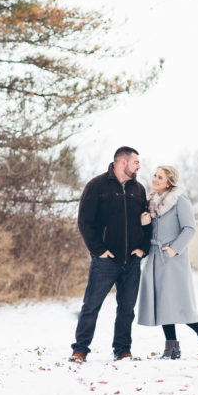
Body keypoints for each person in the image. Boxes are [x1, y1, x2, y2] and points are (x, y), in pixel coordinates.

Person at [70, 146, 151, 363]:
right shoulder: (97, 186)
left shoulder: (139, 190)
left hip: (131, 261)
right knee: (91, 306)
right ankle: (80, 350)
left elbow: (147, 220)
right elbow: (85, 221)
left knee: (127, 309)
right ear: (122, 162)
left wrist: (143, 248)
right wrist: (99, 250)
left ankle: (122, 350)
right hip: (106, 261)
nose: (139, 166)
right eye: (136, 162)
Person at [137, 165, 198, 359]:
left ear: (169, 182)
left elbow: (190, 228)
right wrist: (144, 224)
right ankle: (172, 348)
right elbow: (149, 230)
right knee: (163, 303)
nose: (155, 179)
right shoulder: (151, 201)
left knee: (179, 303)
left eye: (160, 177)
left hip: (173, 259)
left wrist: (174, 249)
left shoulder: (179, 200)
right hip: (155, 257)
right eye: (155, 175)